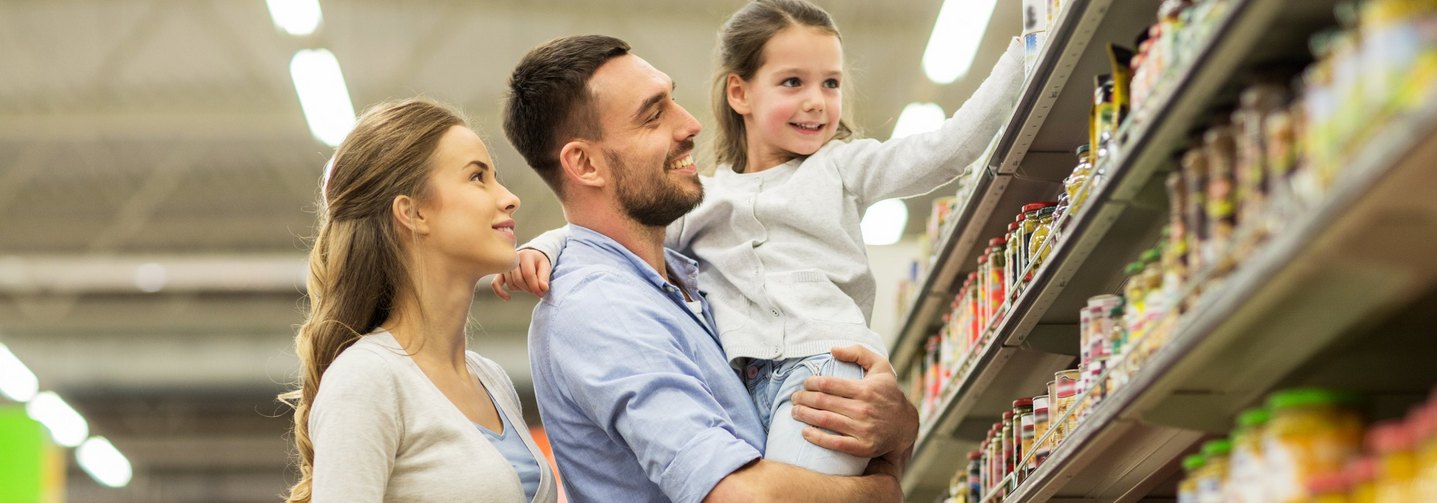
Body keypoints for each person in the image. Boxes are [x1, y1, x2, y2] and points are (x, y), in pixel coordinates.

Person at [499, 0, 1023, 477]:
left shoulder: (843, 168)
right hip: (752, 384)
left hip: (824, 368)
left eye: (832, 84)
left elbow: (948, 149)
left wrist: (1027, 44)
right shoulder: (700, 199)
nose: (817, 102)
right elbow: (590, 232)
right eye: (793, 82)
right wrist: (545, 247)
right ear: (739, 92)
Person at [279, 99, 557, 503]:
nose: (510, 198)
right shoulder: (367, 379)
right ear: (413, 213)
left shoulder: (490, 380)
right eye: (478, 177)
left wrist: (551, 246)